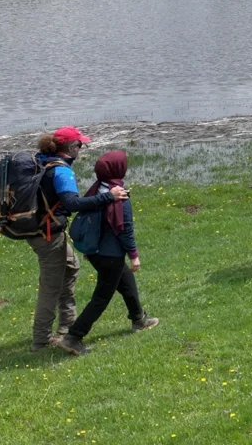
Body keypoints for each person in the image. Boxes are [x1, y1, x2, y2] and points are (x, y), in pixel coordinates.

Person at [29, 127, 128, 352]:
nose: (81, 149)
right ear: (72, 147)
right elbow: (72, 204)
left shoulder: (43, 160)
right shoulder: (62, 171)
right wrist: (108, 197)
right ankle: (41, 340)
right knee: (51, 286)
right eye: (80, 145)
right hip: (48, 235)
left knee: (71, 267)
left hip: (43, 230)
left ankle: (67, 326)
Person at [59, 151, 158, 356]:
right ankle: (73, 337)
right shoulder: (119, 196)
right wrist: (134, 256)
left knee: (126, 281)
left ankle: (138, 319)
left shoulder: (96, 190)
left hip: (96, 253)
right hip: (110, 256)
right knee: (102, 297)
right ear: (119, 170)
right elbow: (124, 229)